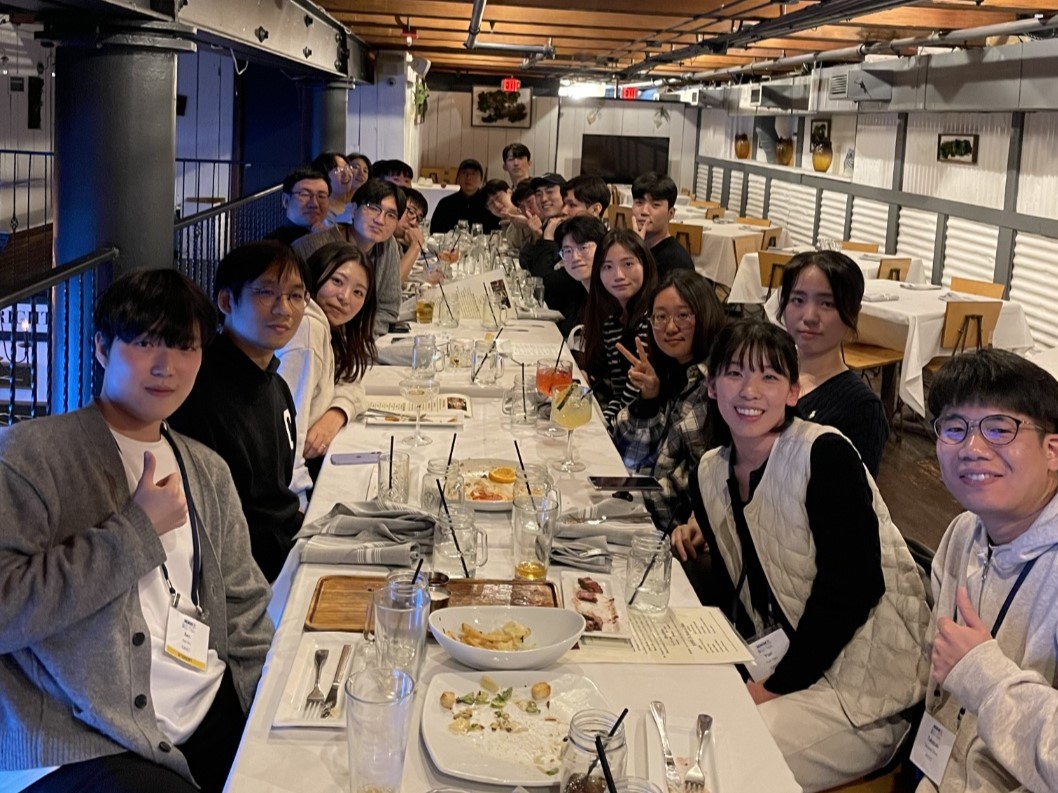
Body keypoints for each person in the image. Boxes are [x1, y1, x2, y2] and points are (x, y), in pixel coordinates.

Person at [0, 269, 273, 793]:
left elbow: (244, 604)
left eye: (184, 346)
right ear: (102, 348)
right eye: (145, 343)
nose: (165, 366)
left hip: (206, 702)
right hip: (84, 734)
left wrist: (271, 697)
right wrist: (134, 532)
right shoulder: (31, 456)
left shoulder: (206, 469)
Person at [672, 319, 929, 793]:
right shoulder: (710, 472)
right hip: (782, 666)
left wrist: (773, 688)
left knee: (714, 759)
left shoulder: (824, 454)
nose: (750, 390)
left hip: (864, 693)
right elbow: (736, 593)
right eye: (734, 373)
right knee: (670, 719)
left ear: (793, 392)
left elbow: (854, 590)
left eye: (769, 376)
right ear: (711, 385)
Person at [915, 349, 1058, 793]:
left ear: (1053, 450)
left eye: (999, 429)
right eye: (954, 428)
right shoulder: (965, 532)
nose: (972, 449)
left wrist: (983, 675)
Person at [169, 241, 305, 582]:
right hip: (248, 577)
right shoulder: (199, 393)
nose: (284, 309)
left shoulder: (274, 384)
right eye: (266, 292)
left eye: (295, 296)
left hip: (287, 551)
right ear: (227, 301)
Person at [612, 270, 725, 532]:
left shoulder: (716, 383)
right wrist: (648, 399)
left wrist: (629, 500)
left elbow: (700, 484)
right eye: (660, 317)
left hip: (677, 532)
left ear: (705, 314)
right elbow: (629, 454)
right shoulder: (666, 370)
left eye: (683, 315)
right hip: (646, 514)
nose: (671, 328)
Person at [277, 241, 376, 509]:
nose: (345, 297)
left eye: (358, 292)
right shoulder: (309, 329)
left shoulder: (328, 326)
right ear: (314, 275)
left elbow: (352, 383)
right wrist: (300, 510)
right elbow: (288, 432)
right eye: (337, 281)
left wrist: (336, 415)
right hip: (289, 486)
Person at [776, 250, 889, 477]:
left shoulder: (862, 409)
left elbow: (855, 495)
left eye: (827, 304)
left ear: (852, 314)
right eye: (798, 300)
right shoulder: (767, 375)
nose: (810, 316)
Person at [292, 178, 406, 338]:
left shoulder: (387, 245)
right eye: (373, 208)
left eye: (391, 215)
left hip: (357, 342)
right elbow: (295, 306)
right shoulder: (310, 247)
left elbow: (388, 308)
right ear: (352, 209)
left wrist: (355, 338)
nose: (380, 220)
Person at [581, 229, 659, 425]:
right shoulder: (612, 324)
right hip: (623, 419)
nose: (618, 275)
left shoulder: (653, 320)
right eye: (607, 267)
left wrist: (604, 427)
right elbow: (620, 394)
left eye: (628, 264)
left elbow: (632, 397)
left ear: (645, 265)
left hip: (649, 421)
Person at [548, 214, 607, 338]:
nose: (575, 257)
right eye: (567, 251)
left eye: (583, 247)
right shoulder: (579, 291)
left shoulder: (610, 297)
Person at [631, 172, 695, 280]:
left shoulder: (677, 262)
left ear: (671, 213)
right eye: (639, 203)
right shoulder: (629, 248)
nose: (644, 211)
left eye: (655, 205)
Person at [429, 158, 498, 234]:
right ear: (458, 178)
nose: (468, 177)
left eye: (473, 174)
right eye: (464, 173)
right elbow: (434, 232)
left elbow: (496, 233)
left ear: (481, 180)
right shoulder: (445, 203)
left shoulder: (489, 205)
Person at [265, 167, 330, 246]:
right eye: (304, 194)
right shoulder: (271, 245)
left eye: (321, 196)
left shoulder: (332, 237)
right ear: (286, 201)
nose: (314, 204)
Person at [483, 178, 534, 251]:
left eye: (498, 198)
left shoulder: (531, 210)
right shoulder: (509, 230)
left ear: (510, 192)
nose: (497, 205)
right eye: (490, 203)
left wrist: (528, 223)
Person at [311, 151, 355, 226]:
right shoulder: (319, 212)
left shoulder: (353, 205)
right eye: (338, 170)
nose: (346, 173)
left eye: (347, 168)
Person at [395, 187, 428, 282]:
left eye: (418, 218)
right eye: (411, 212)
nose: (414, 223)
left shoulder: (397, 242)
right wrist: (415, 246)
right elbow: (393, 284)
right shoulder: (380, 240)